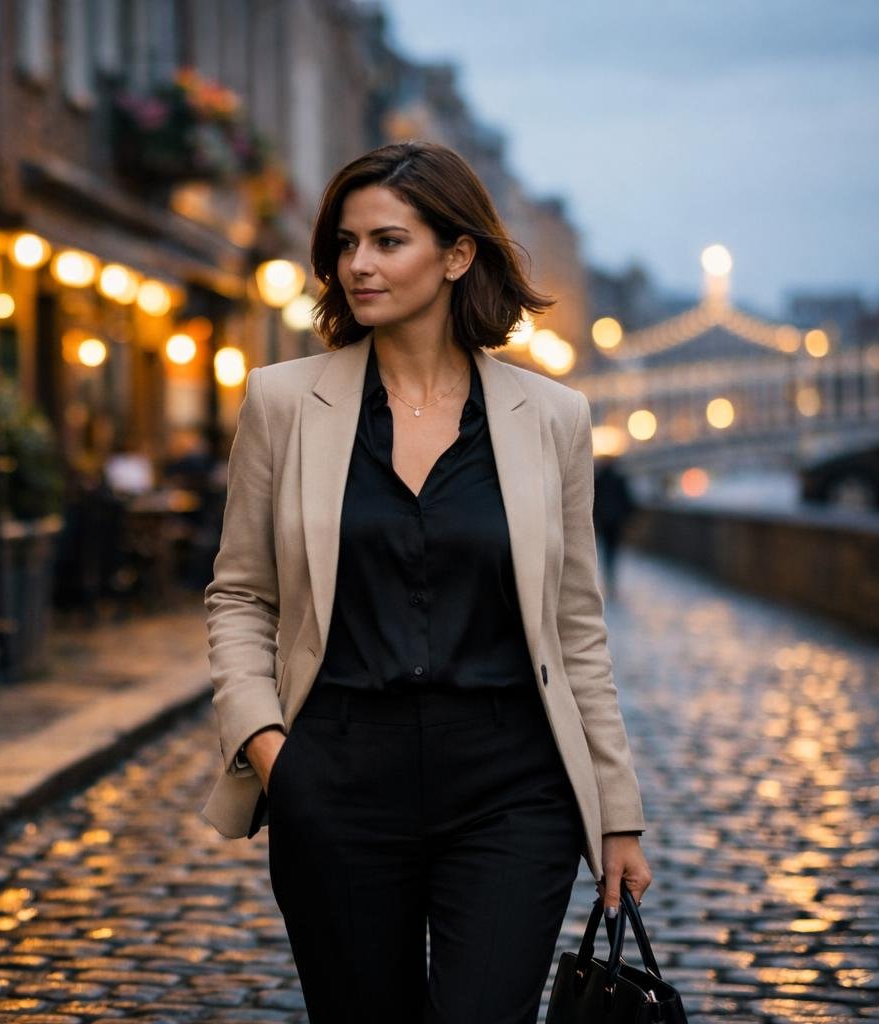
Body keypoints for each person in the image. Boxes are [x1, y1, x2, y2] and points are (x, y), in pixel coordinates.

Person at [198, 141, 652, 1022]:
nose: (358, 264)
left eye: (387, 241)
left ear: (456, 255)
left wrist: (617, 811)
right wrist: (270, 751)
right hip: (336, 777)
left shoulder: (552, 417)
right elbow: (241, 595)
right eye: (345, 243)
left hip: (513, 787)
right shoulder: (284, 402)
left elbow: (575, 629)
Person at [593, 454, 638, 600]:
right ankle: (611, 578)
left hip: (604, 521)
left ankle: (608, 577)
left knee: (606, 550)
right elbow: (628, 501)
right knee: (612, 550)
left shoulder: (598, 480)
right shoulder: (619, 479)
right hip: (616, 522)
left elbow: (592, 501)